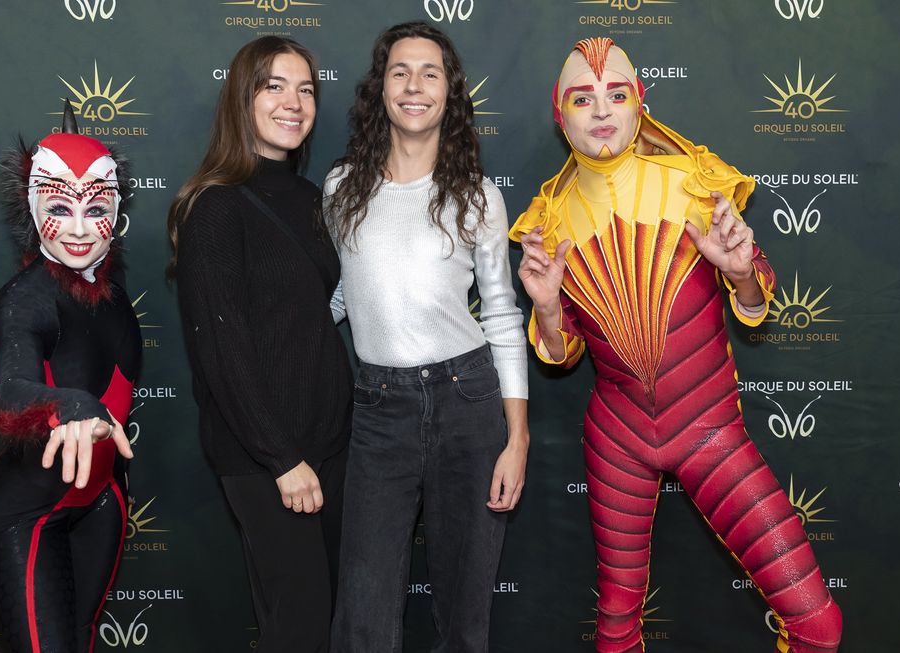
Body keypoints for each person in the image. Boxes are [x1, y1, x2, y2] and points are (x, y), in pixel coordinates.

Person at [511, 37, 842, 653]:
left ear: (640, 103)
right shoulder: (548, 220)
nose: (601, 109)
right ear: (560, 116)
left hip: (709, 428)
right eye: (582, 98)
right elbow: (561, 353)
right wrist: (549, 309)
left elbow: (754, 302)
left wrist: (741, 274)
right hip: (616, 437)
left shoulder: (694, 182)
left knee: (817, 625)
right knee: (616, 622)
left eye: (617, 94)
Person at [324, 21, 529, 653]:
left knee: (465, 618)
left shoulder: (476, 196)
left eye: (430, 73)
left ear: (449, 92)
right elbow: (345, 291)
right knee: (362, 617)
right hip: (378, 409)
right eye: (401, 71)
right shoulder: (341, 189)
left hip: (469, 403)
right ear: (380, 88)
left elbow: (502, 314)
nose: (414, 85)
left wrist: (517, 438)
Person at [168, 36, 352, 653]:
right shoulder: (215, 207)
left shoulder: (311, 200)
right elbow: (222, 351)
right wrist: (283, 459)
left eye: (306, 89)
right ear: (241, 98)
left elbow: (313, 319)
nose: (293, 102)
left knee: (326, 621)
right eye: (274, 86)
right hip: (267, 456)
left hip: (330, 447)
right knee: (300, 627)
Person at [0, 102, 139, 653]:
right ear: (32, 207)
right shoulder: (22, 301)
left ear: (116, 211)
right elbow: (15, 389)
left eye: (96, 208)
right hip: (27, 511)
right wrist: (76, 405)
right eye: (59, 208)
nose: (78, 228)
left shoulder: (116, 299)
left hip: (103, 500)